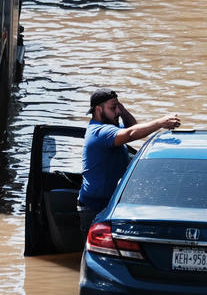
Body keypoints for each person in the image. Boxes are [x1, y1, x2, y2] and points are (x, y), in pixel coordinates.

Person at [77, 88, 181, 237]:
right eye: (112, 108)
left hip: (109, 203)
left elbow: (132, 126)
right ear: (98, 110)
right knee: (97, 252)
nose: (117, 112)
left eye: (118, 106)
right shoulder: (99, 132)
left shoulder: (111, 127)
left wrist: (121, 109)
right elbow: (132, 133)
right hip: (94, 207)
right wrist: (160, 122)